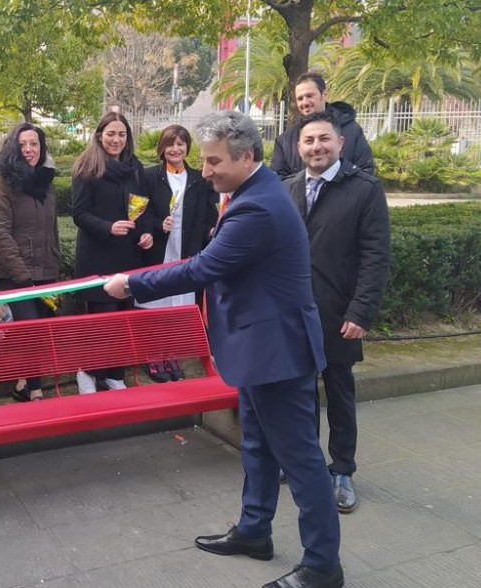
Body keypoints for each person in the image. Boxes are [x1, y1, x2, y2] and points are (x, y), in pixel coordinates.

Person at [103, 111, 344, 588]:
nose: (205, 170)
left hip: (277, 353)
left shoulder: (258, 207)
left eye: (213, 161)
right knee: (256, 445)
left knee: (300, 461)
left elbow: (201, 269)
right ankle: (255, 532)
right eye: (204, 160)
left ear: (247, 155)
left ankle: (323, 566)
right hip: (257, 348)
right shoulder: (253, 192)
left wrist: (131, 283)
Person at [288, 111, 391, 514]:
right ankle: (306, 463)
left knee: (339, 392)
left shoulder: (364, 190)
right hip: (293, 313)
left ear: (340, 143)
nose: (317, 147)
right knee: (298, 393)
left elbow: (376, 257)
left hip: (338, 314)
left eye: (324, 140)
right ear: (298, 148)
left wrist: (361, 311)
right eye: (309, 141)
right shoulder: (288, 188)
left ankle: (343, 469)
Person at [71, 111, 154, 394]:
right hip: (97, 254)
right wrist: (108, 227)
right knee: (101, 320)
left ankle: (114, 373)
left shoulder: (135, 168)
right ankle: (87, 371)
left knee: (123, 317)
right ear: (99, 135)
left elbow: (140, 206)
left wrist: (145, 233)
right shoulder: (87, 166)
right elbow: (78, 213)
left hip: (127, 254)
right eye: (111, 134)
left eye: (121, 134)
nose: (116, 139)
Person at [139, 124, 218, 382]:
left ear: (187, 147)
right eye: (170, 144)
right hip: (159, 249)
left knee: (179, 304)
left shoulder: (198, 179)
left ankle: (170, 352)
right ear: (162, 148)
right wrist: (155, 226)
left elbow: (209, 216)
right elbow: (140, 211)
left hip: (186, 250)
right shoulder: (150, 176)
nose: (175, 149)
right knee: (156, 302)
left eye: (180, 144)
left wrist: (212, 231)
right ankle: (152, 355)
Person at [0, 123, 60, 402]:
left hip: (46, 270)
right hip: (15, 274)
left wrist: (54, 263)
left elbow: (51, 228)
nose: (29, 150)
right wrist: (22, 275)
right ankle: (36, 391)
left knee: (42, 329)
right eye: (23, 144)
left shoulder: (46, 182)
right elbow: (0, 233)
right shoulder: (2, 183)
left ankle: (22, 383)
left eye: (34, 144)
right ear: (13, 148)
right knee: (30, 330)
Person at [271, 71, 375, 179]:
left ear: (324, 94)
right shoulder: (285, 141)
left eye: (310, 96)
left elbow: (366, 172)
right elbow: (278, 181)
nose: (305, 103)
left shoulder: (352, 131)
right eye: (300, 98)